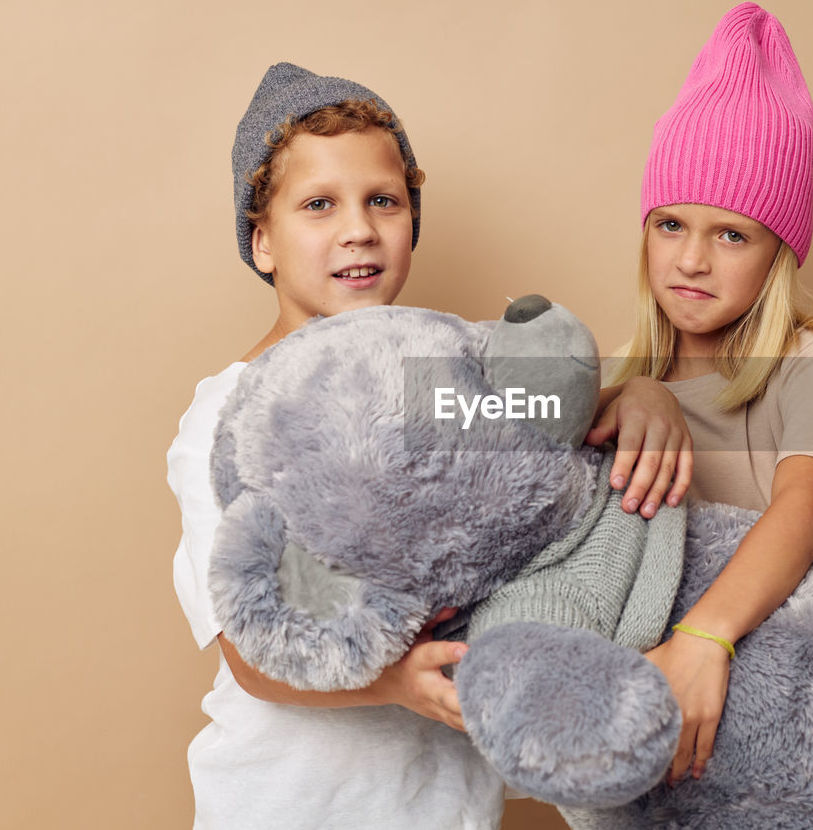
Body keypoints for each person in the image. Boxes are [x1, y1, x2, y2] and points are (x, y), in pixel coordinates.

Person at [168, 62, 690, 830]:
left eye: (384, 200)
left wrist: (640, 396)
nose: (359, 228)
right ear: (263, 241)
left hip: (446, 807)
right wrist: (394, 684)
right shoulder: (227, 417)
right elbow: (253, 659)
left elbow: (550, 460)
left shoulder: (447, 384)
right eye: (319, 205)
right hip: (284, 804)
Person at [604, 3, 813, 788]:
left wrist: (706, 639)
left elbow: (803, 510)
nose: (691, 260)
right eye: (670, 224)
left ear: (778, 251)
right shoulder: (620, 376)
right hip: (652, 704)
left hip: (781, 691)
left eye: (731, 235)